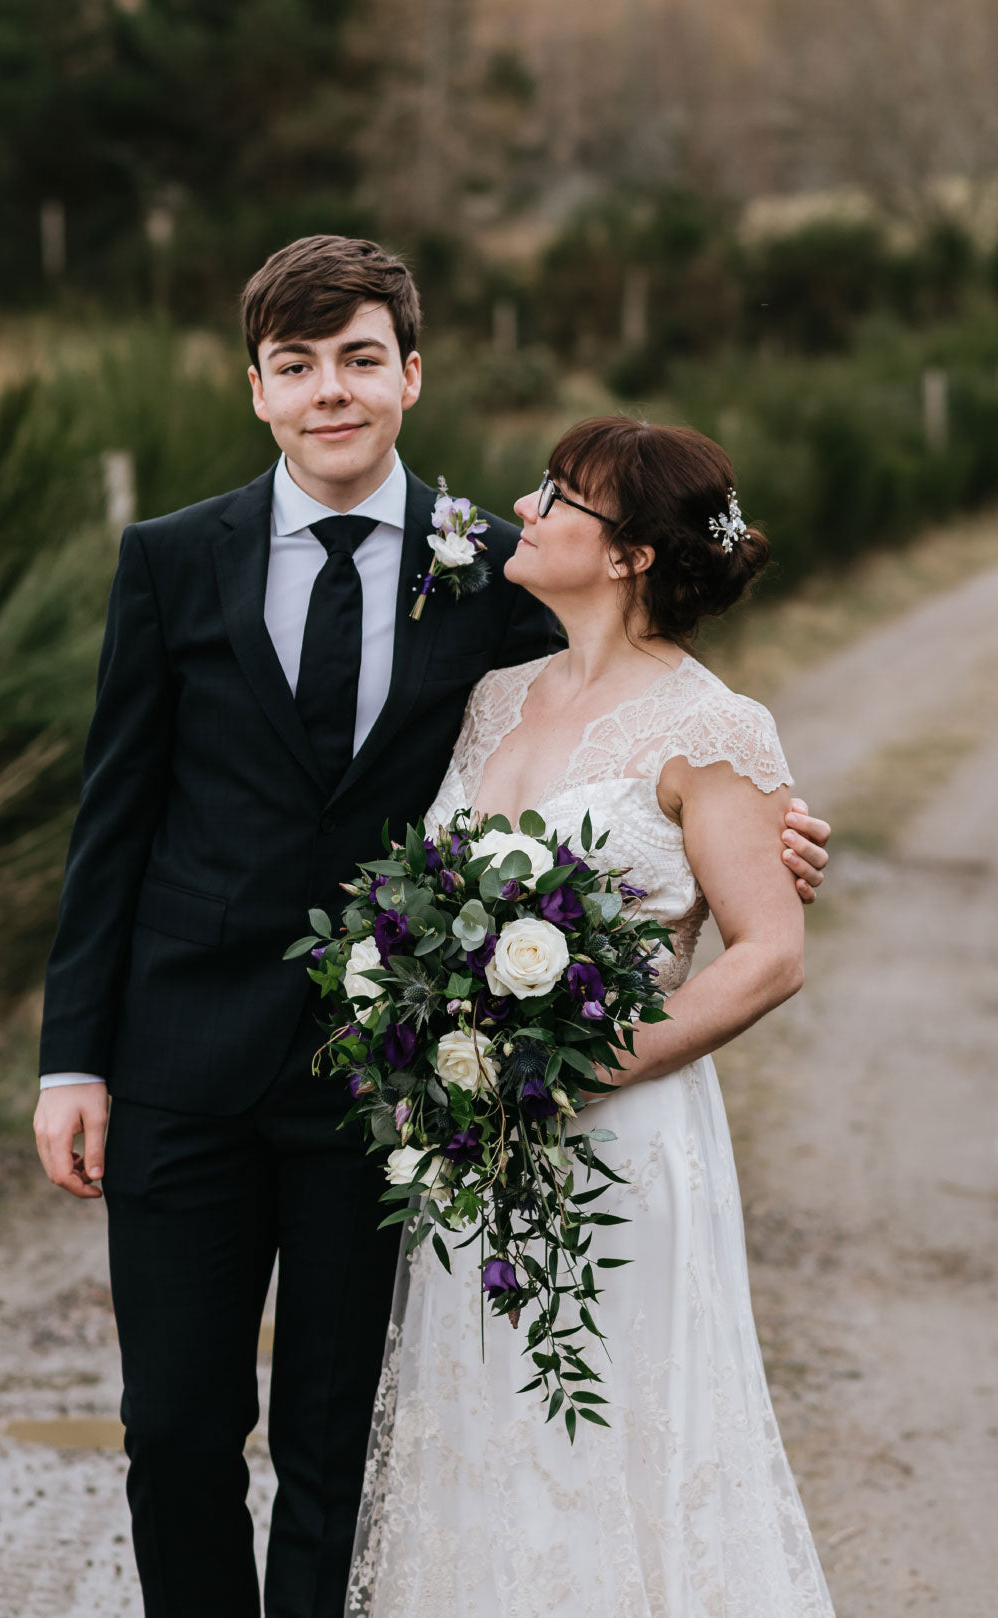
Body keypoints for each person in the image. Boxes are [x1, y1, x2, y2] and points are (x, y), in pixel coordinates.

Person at [31, 237, 832, 1618]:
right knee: (172, 1430)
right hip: (181, 1066)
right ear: (258, 390)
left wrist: (774, 833)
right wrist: (71, 1059)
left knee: (340, 1446)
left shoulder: (491, 569)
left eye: (357, 359)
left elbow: (639, 716)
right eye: (297, 367)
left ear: (411, 373)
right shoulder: (169, 561)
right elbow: (114, 823)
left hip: (384, 1094)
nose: (328, 392)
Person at [347, 418, 836, 1618]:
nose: (529, 503)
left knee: (611, 1431)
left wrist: (609, 1061)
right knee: (484, 1434)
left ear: (629, 558)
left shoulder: (713, 726)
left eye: (563, 497)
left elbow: (768, 949)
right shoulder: (496, 698)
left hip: (623, 1144)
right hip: (476, 1153)